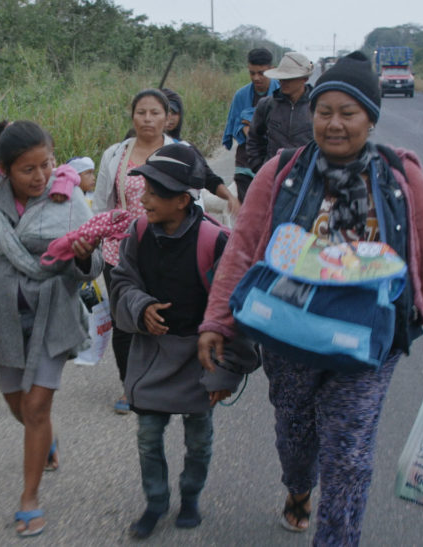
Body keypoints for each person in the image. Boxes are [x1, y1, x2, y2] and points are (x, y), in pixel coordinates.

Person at [198, 51, 423, 546]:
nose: (335, 123)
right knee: (295, 436)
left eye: (349, 113)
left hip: (368, 340)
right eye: (325, 112)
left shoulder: (400, 178)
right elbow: (244, 246)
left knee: (349, 456)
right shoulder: (282, 170)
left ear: (371, 118)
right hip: (287, 332)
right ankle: (298, 487)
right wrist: (218, 319)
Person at [0, 120, 103, 537]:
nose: (41, 176)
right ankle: (46, 442)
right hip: (1, 316)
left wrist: (83, 255)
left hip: (53, 310)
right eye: (28, 169)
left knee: (36, 409)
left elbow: (94, 265)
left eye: (47, 164)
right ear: (3, 170)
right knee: (18, 408)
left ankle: (29, 498)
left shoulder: (68, 192)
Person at [108, 144, 253, 538]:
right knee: (148, 437)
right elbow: (122, 281)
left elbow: (235, 312)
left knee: (199, 441)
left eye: (154, 192)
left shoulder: (215, 242)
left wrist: (225, 374)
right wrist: (139, 308)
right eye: (144, 189)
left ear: (183, 200)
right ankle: (156, 502)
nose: (144, 198)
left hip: (200, 359)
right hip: (154, 354)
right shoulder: (137, 234)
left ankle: (190, 496)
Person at [93, 89, 237, 414]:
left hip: (173, 247)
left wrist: (228, 196)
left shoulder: (181, 151)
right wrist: (94, 243)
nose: (147, 119)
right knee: (125, 319)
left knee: (172, 315)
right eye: (141, 112)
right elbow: (102, 204)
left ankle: (179, 382)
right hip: (121, 248)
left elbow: (203, 183)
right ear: (132, 116)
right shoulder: (115, 154)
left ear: (168, 117)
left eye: (155, 113)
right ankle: (131, 385)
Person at [222, 48, 279, 202]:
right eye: (252, 73)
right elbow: (235, 126)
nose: (256, 78)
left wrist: (250, 126)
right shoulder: (241, 95)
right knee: (247, 210)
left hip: (273, 162)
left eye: (261, 73)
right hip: (245, 163)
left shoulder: (280, 93)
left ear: (272, 70)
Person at [246, 52, 316, 173]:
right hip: (273, 176)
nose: (284, 82)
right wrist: (260, 169)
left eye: (290, 78)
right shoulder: (267, 105)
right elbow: (254, 140)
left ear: (304, 79)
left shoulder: (318, 106)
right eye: (282, 78)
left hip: (308, 176)